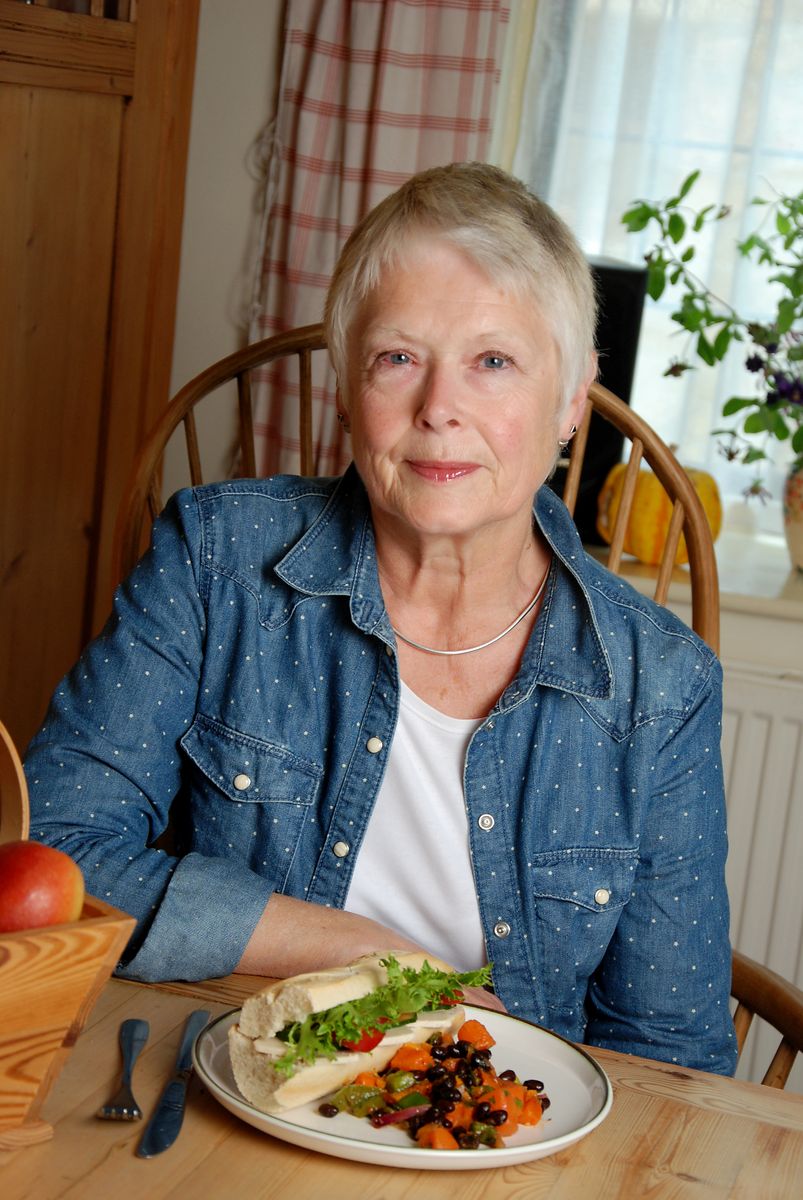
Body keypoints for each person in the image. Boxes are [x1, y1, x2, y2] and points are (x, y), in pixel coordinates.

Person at [24, 163, 736, 1074]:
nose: (438, 409)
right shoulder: (215, 560)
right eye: (398, 357)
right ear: (345, 384)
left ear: (569, 401)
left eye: (493, 362)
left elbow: (672, 1058)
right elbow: (52, 857)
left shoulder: (660, 685)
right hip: (240, 1084)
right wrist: (354, 951)